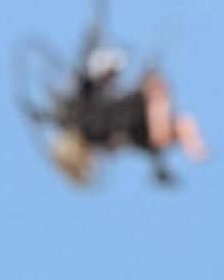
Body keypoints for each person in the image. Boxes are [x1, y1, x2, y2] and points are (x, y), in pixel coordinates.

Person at [24, 24, 208, 190]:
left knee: (164, 124)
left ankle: (191, 145)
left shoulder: (85, 120)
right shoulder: (104, 137)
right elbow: (141, 140)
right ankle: (191, 145)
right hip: (141, 113)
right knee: (166, 127)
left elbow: (87, 80)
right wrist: (160, 166)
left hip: (137, 107)